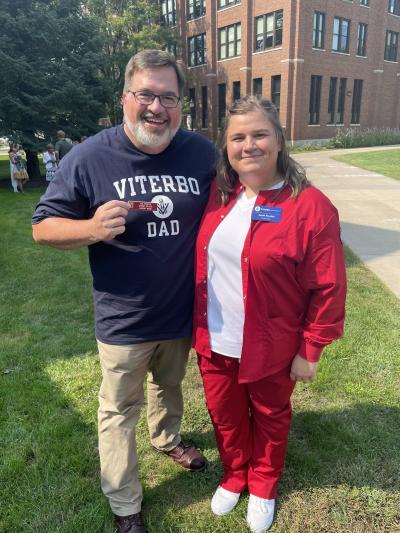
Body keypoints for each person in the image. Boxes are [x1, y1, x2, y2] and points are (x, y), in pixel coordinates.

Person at [32, 49, 215, 533]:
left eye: (169, 97)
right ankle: (125, 504)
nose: (157, 108)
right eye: (146, 95)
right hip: (124, 320)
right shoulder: (90, 156)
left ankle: (167, 438)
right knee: (117, 411)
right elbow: (42, 227)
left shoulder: (199, 153)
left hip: (180, 314)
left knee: (170, 385)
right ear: (125, 99)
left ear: (182, 104)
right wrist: (91, 228)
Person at [193, 96, 346, 533]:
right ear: (226, 147)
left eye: (259, 134)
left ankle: (263, 483)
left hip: (271, 345)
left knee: (270, 416)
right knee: (225, 415)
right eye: (237, 137)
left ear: (279, 140)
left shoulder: (311, 207)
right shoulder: (220, 195)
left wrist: (310, 349)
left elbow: (329, 288)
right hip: (215, 339)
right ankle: (235, 473)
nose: (249, 145)